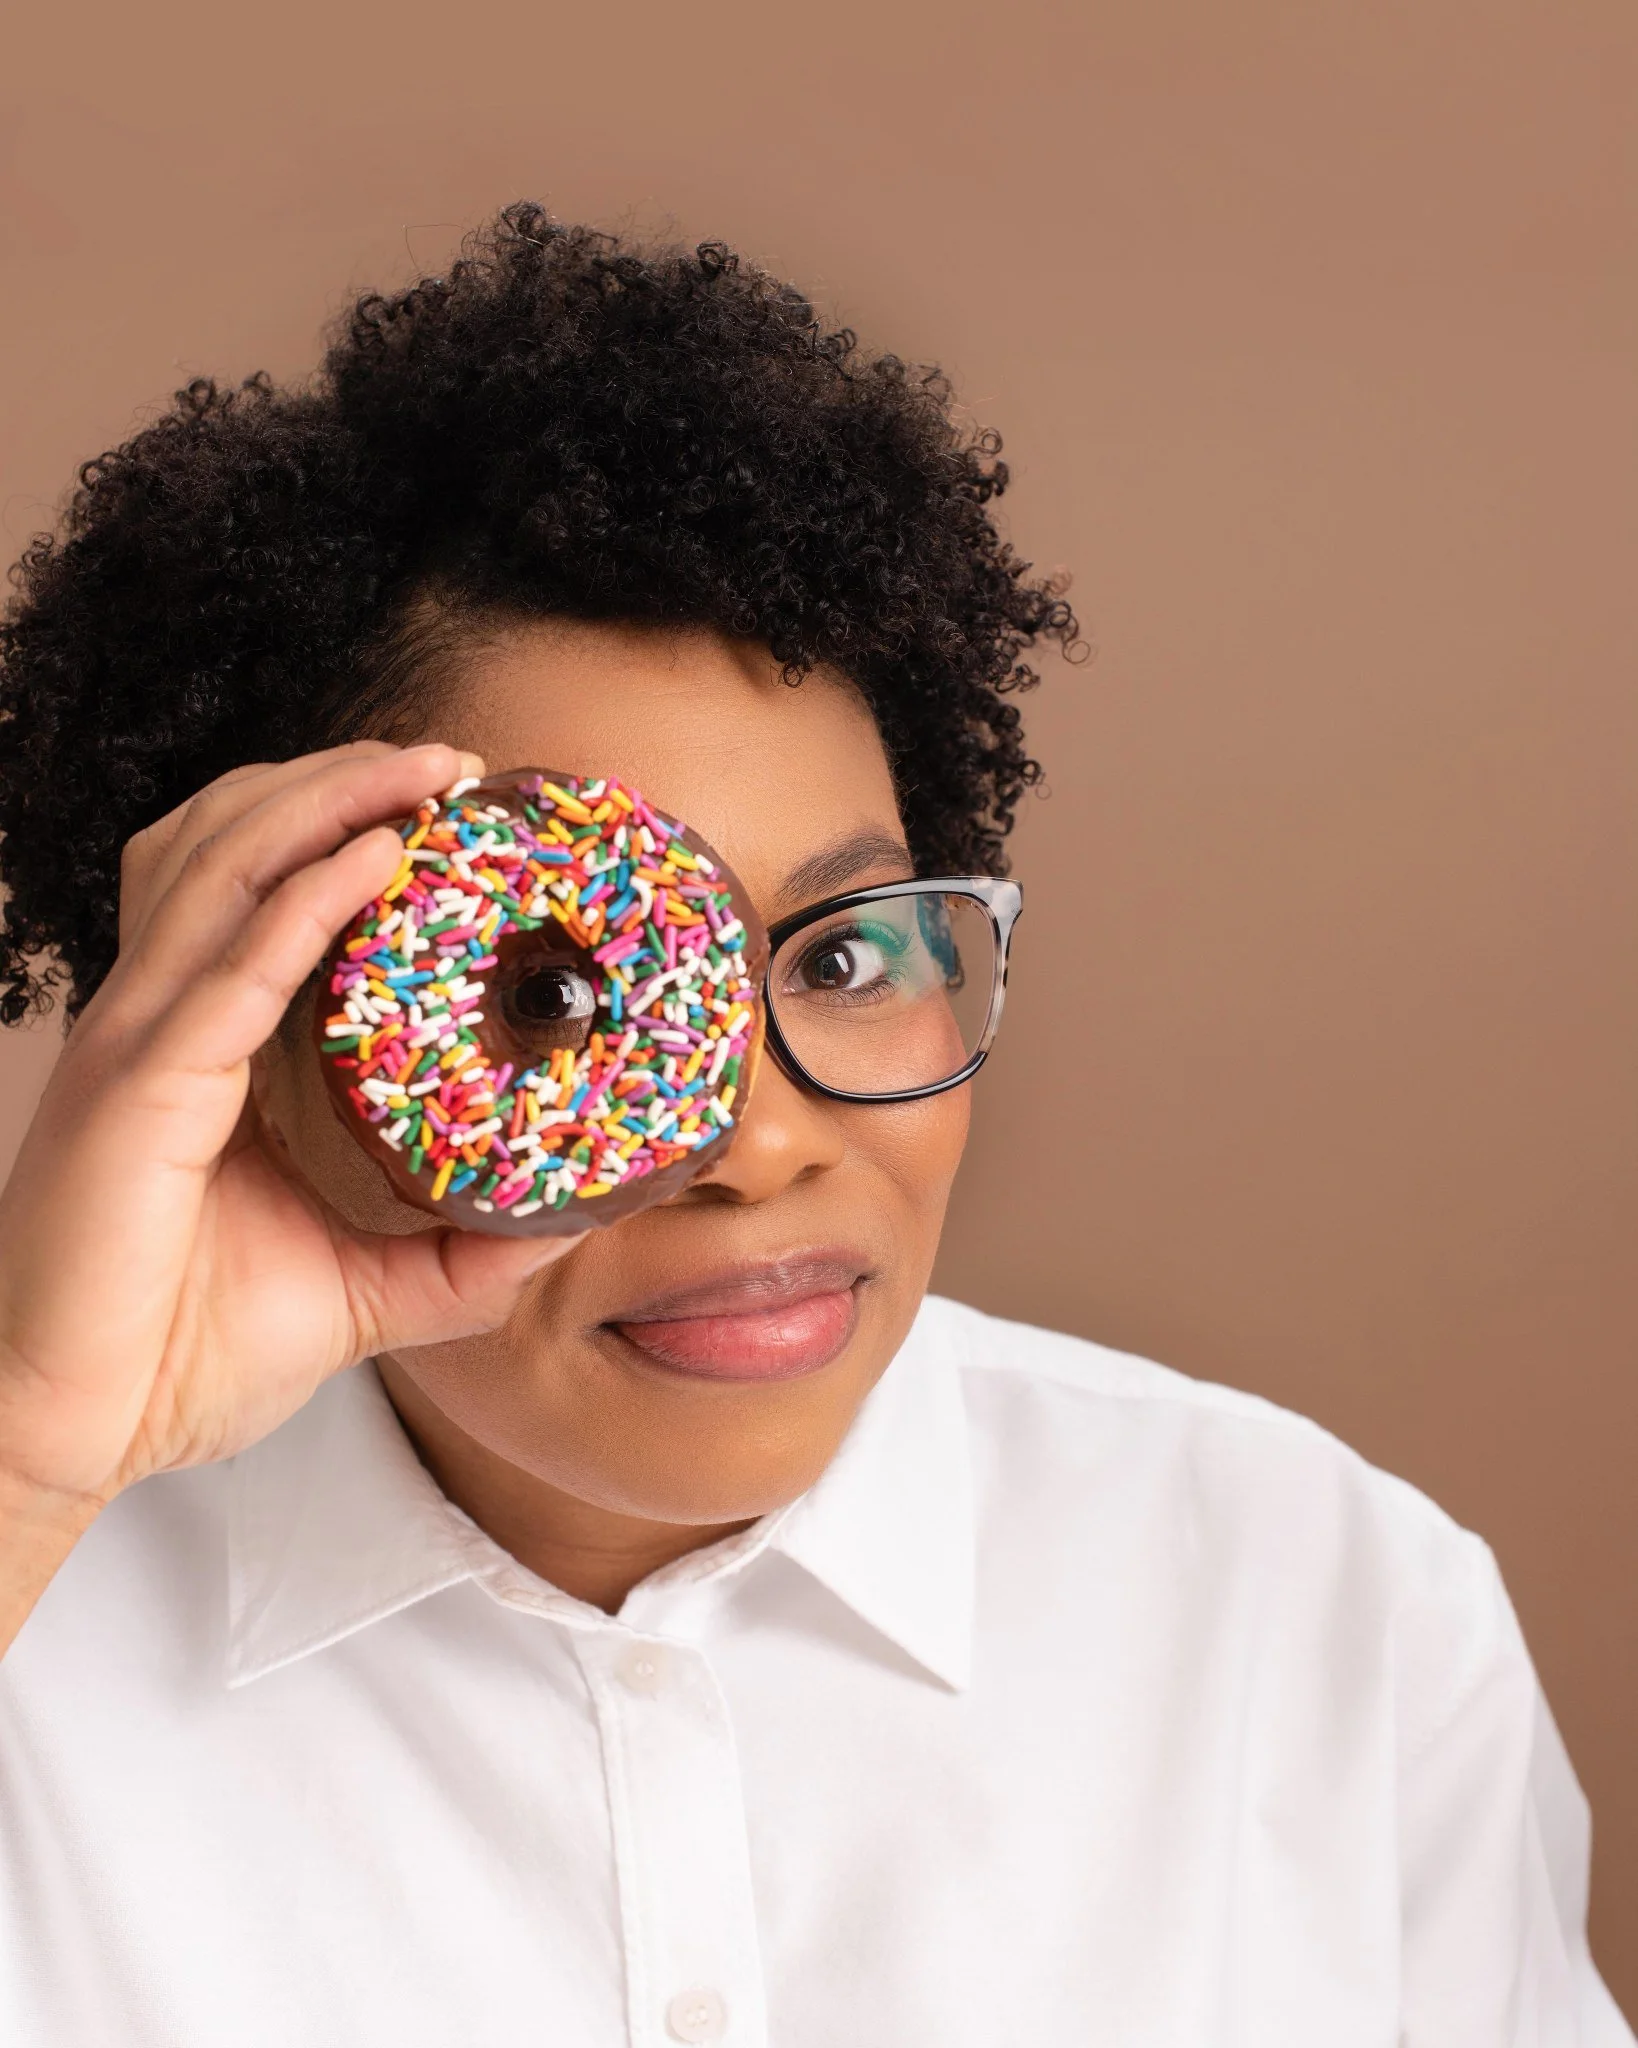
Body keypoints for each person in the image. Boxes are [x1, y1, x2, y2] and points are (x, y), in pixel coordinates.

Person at [0, 204, 1626, 2047]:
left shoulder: (1316, 1609)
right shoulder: (36, 1640)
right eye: (557, 997)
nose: (755, 1146)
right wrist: (31, 1457)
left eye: (847, 954)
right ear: (269, 1051)